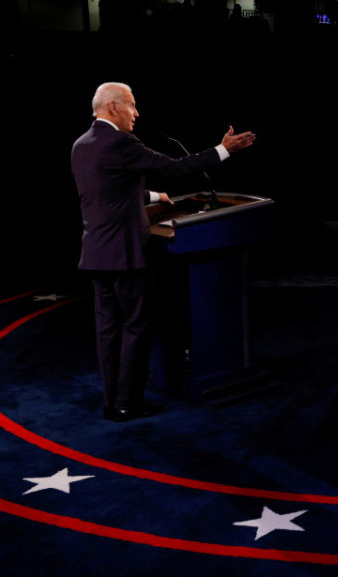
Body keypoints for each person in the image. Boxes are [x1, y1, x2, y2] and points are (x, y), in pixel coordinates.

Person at [71, 82, 256, 421]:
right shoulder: (122, 142)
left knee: (108, 331)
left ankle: (113, 401)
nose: (136, 113)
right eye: (132, 106)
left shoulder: (82, 145)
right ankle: (129, 403)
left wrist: (155, 197)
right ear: (113, 107)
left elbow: (107, 193)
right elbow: (173, 167)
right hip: (124, 254)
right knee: (136, 326)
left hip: (96, 254)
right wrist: (223, 149)